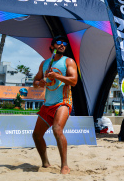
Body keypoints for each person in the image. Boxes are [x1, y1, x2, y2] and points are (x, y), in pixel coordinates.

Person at [32, 36, 78, 174]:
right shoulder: (44, 63)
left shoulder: (68, 61)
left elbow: (74, 81)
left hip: (63, 101)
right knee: (36, 135)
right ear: (52, 46)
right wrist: (39, 83)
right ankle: (45, 163)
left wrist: (57, 76)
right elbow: (35, 81)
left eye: (65, 43)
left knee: (57, 129)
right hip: (48, 103)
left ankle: (64, 165)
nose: (62, 45)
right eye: (59, 43)